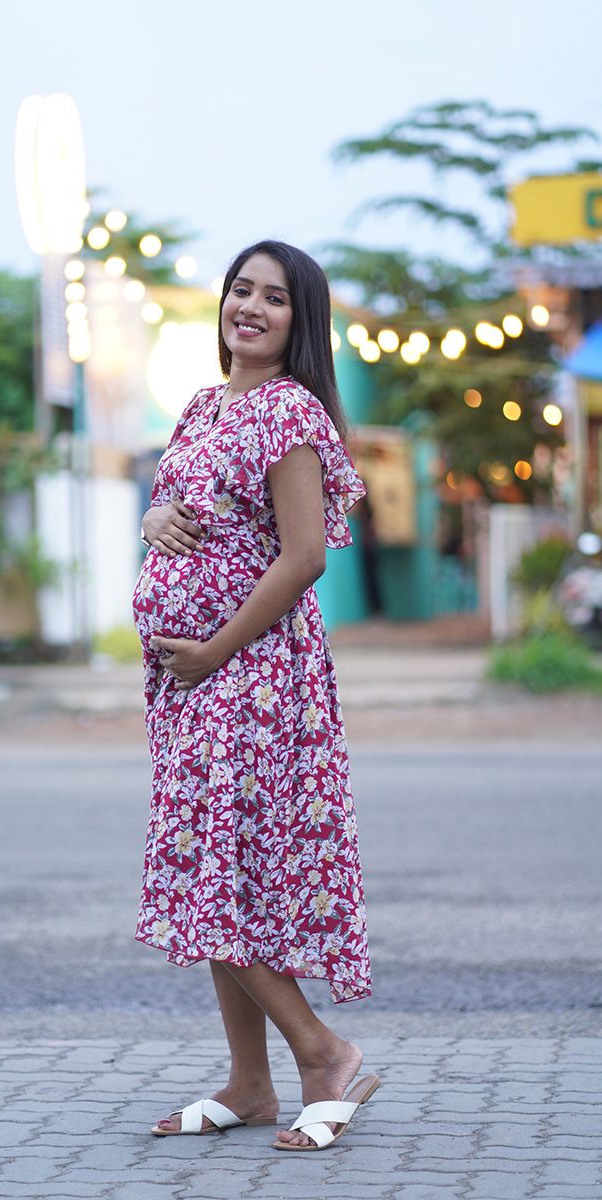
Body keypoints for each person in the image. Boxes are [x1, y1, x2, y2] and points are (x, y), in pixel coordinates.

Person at [131, 240, 378, 1152]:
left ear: (297, 321)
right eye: (242, 289)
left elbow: (304, 555)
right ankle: (250, 1083)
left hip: (254, 679)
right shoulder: (202, 405)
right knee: (217, 873)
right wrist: (152, 519)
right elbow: (182, 513)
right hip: (191, 681)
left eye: (275, 299)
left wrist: (213, 651)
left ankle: (325, 1054)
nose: (252, 307)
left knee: (213, 877)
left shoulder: (288, 412)